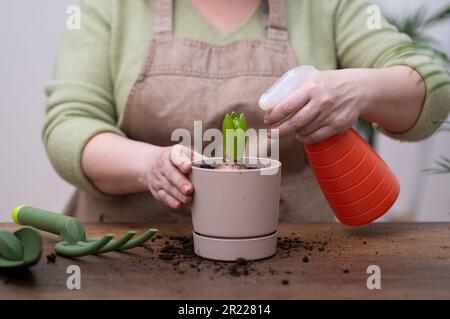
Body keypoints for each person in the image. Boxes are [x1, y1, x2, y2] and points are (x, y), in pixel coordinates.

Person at [44, 0, 450, 223]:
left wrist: (358, 88)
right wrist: (150, 165)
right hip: (129, 257)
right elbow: (70, 123)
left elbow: (432, 87)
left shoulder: (327, 6)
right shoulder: (110, 7)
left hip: (303, 257)